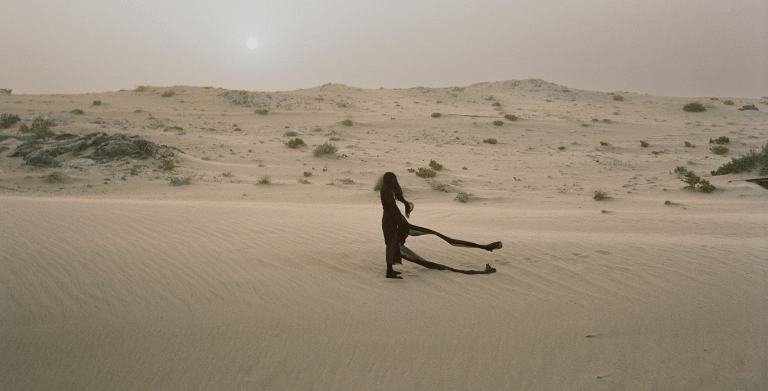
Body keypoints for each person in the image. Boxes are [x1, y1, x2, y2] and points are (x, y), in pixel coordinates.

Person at [379, 172, 502, 279]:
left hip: (389, 220)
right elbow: (392, 209)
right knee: (392, 243)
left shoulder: (385, 189)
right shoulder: (387, 192)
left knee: (392, 243)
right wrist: (401, 223)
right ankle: (389, 272)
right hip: (390, 221)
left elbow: (394, 204)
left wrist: (403, 212)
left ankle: (390, 270)